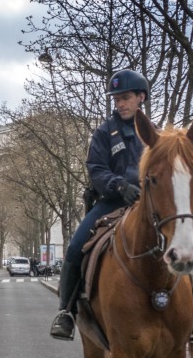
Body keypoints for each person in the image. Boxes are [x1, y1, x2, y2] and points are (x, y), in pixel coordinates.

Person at [50, 69, 149, 339]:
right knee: (74, 247)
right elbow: (95, 167)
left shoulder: (152, 133)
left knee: (190, 248)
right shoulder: (105, 132)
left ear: (141, 97)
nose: (120, 103)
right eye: (116, 99)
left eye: (125, 98)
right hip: (112, 202)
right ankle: (66, 312)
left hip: (147, 204)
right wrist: (119, 185)